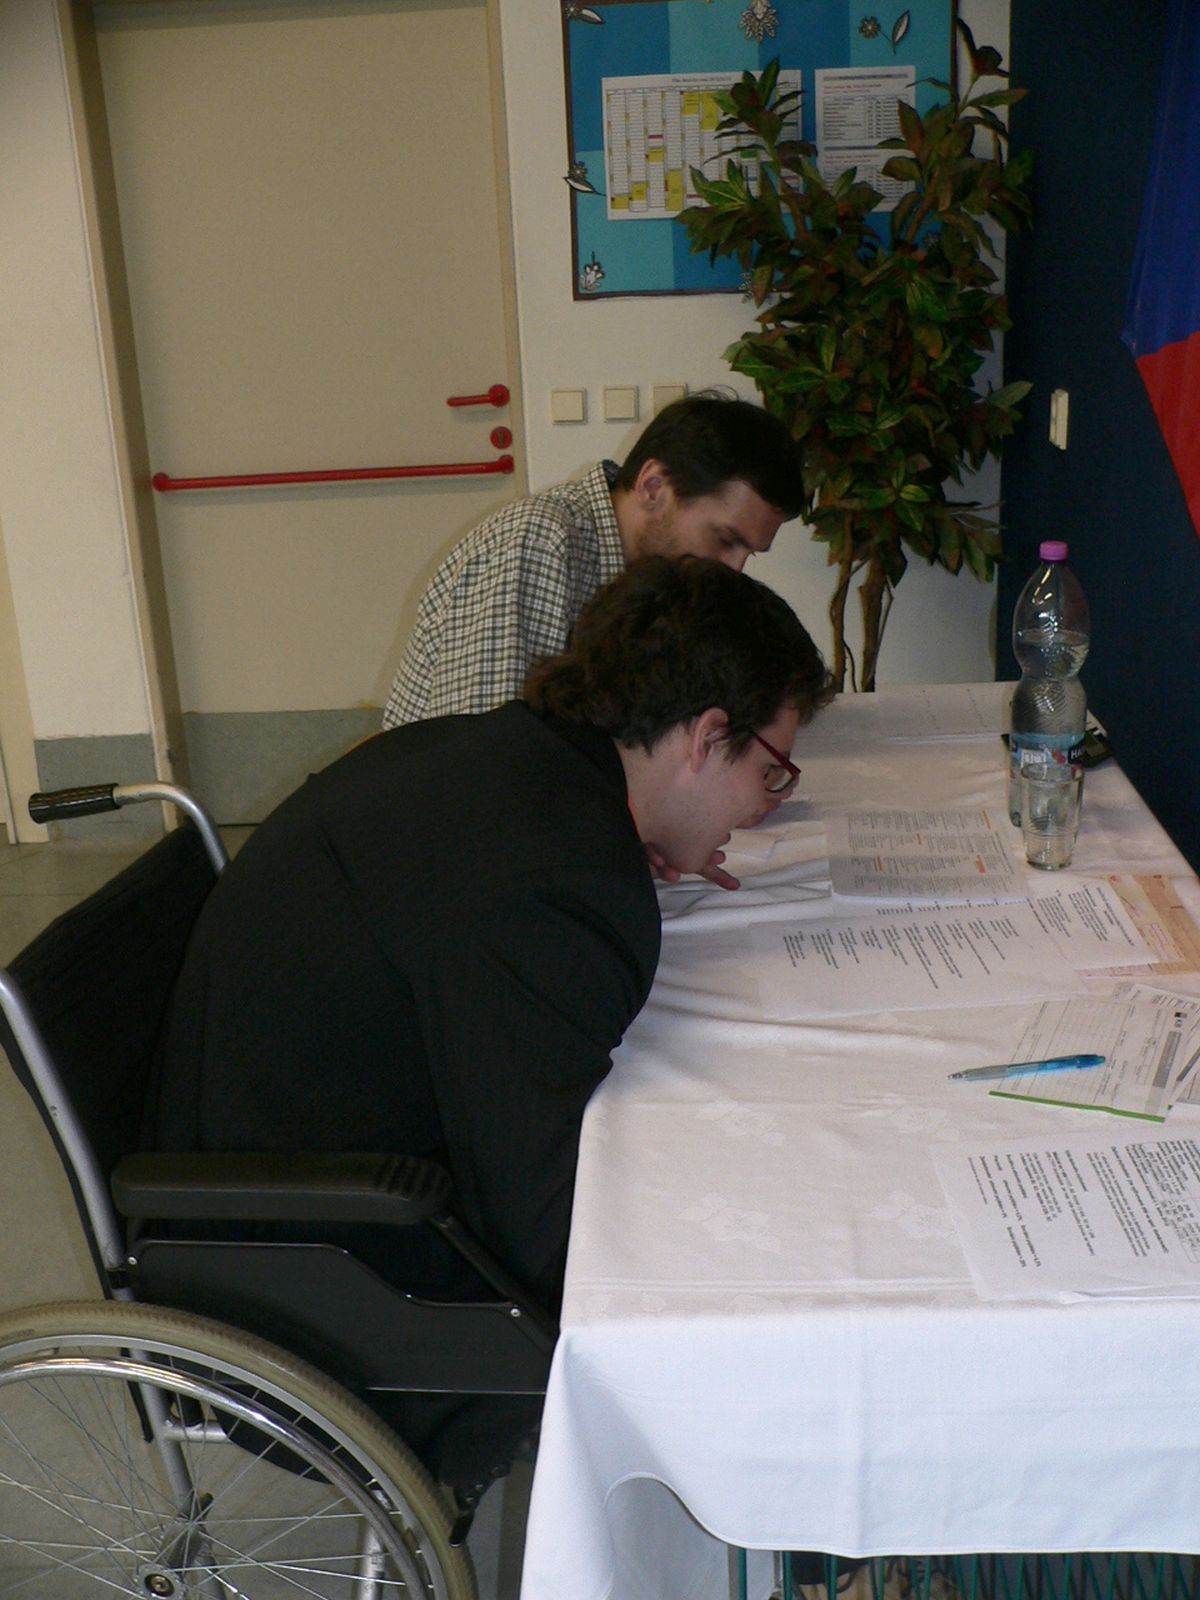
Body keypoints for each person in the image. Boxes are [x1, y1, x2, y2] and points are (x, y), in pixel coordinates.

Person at [151, 554, 833, 1497]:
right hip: (319, 1269)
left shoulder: (511, 760)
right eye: (770, 772)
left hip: (245, 1159)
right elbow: (542, 1221)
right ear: (706, 737)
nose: (762, 806)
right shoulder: (560, 875)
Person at [382, 390, 807, 728]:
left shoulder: (662, 578)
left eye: (749, 553)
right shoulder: (538, 540)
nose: (733, 569)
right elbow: (490, 755)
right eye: (725, 539)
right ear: (653, 486)